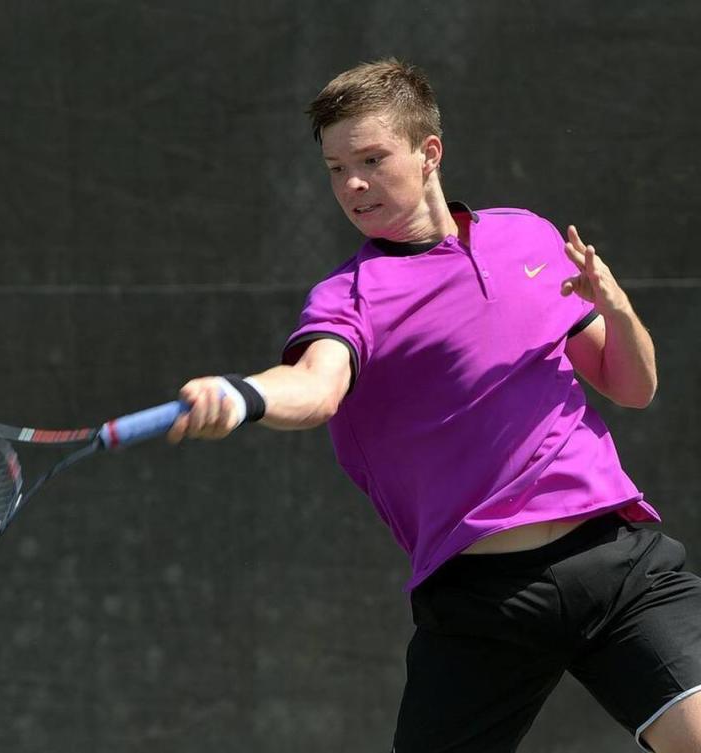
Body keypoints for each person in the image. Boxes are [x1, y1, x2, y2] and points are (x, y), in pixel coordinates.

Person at [166, 58, 701, 752]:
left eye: (371, 158)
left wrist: (619, 309)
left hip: (613, 559)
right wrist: (245, 394)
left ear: (429, 153)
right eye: (335, 168)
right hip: (483, 600)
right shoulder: (351, 296)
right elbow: (316, 385)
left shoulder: (531, 239)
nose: (352, 184)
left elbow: (634, 385)